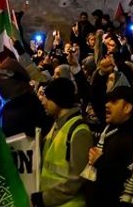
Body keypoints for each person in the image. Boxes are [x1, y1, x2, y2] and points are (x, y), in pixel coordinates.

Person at [39, 77, 93, 207]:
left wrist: (45, 199)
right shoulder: (56, 125)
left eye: (47, 98)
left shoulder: (79, 132)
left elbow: (77, 179)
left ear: (57, 100)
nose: (43, 102)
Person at [86, 85, 133, 207]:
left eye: (114, 102)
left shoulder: (132, 138)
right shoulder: (110, 128)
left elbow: (125, 178)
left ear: (127, 107)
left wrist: (100, 161)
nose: (107, 105)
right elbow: (94, 97)